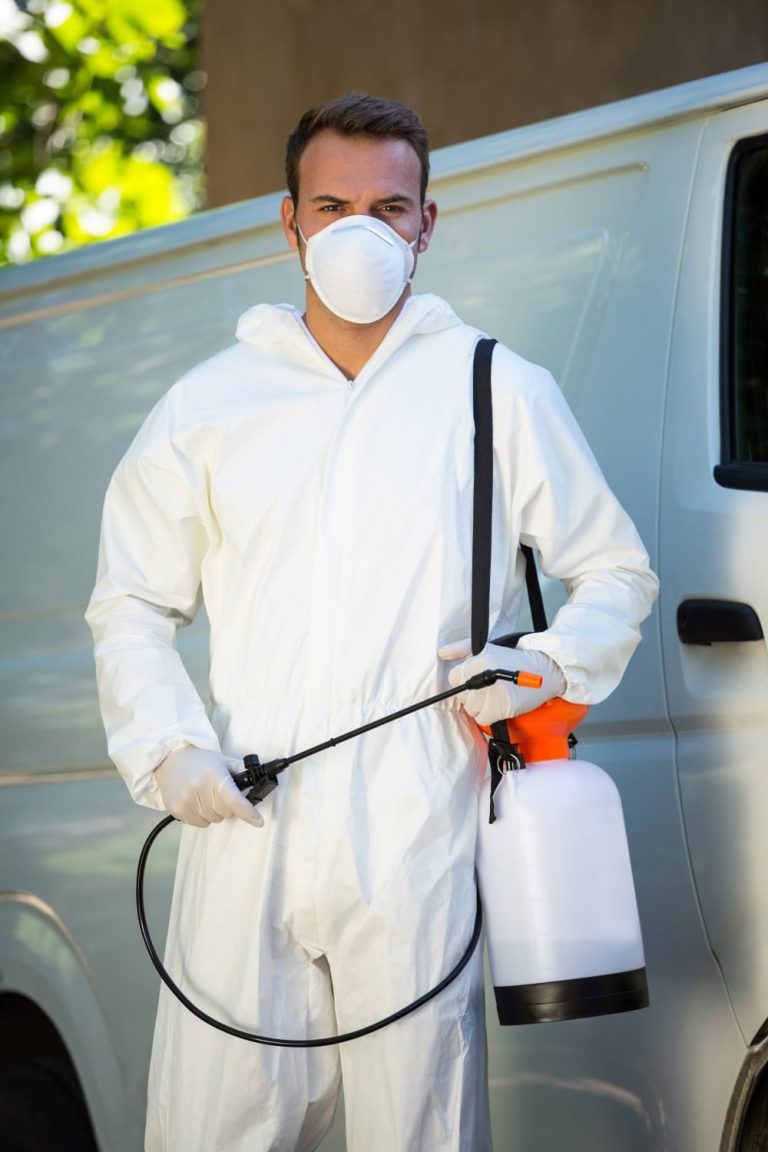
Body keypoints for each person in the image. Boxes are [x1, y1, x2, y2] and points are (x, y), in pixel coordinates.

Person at [86, 92, 659, 1152]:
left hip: (417, 819)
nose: (361, 231)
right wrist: (168, 751)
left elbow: (616, 571)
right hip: (243, 807)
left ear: (428, 223)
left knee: (421, 1131)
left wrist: (536, 665)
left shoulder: (496, 388)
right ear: (290, 221)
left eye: (390, 207)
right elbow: (132, 601)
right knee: (216, 1132)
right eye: (333, 204)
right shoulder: (209, 405)